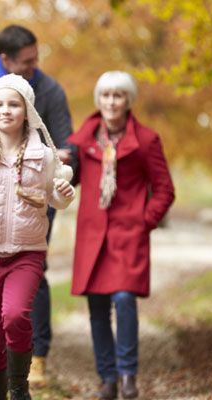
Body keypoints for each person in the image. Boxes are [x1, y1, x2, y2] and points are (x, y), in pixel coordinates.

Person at [0, 23, 77, 385]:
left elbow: (60, 175)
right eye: (0, 105)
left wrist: (63, 182)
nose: (7, 110)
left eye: (15, 104)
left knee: (15, 313)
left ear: (27, 109)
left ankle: (26, 375)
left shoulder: (43, 140)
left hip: (28, 242)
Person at [67, 71, 175, 400]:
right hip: (92, 236)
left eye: (118, 96)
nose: (111, 102)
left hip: (129, 234)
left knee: (124, 300)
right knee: (97, 307)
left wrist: (145, 221)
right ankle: (107, 379)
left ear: (129, 101)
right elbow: (68, 181)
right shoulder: (80, 141)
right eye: (106, 95)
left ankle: (128, 375)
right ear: (98, 100)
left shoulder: (145, 140)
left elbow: (164, 190)